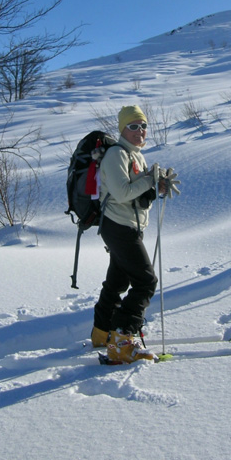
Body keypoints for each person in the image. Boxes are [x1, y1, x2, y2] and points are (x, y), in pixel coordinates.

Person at [90, 105, 180, 364]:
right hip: (119, 226)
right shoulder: (116, 155)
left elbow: (137, 198)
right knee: (146, 281)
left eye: (143, 125)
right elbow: (122, 193)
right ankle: (122, 338)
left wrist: (154, 188)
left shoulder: (135, 156)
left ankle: (102, 332)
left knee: (118, 281)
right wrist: (150, 180)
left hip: (126, 225)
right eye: (133, 126)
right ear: (122, 129)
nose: (140, 130)